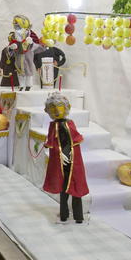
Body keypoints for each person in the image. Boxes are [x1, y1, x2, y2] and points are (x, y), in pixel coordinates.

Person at [42, 92, 89, 224]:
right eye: (52, 108)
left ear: (66, 107)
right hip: (60, 163)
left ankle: (79, 216)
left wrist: (67, 154)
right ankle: (64, 215)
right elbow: (53, 143)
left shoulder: (70, 124)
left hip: (73, 161)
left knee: (75, 189)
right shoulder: (53, 126)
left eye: (60, 106)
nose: (56, 110)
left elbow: (72, 141)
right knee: (63, 190)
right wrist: (59, 154)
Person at [7, 15, 48, 91]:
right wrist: (11, 48)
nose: (17, 27)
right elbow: (9, 50)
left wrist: (31, 43)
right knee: (20, 71)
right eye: (15, 25)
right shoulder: (13, 35)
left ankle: (28, 85)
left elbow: (38, 47)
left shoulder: (31, 35)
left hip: (28, 57)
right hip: (18, 57)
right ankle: (21, 86)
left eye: (18, 25)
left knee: (28, 71)